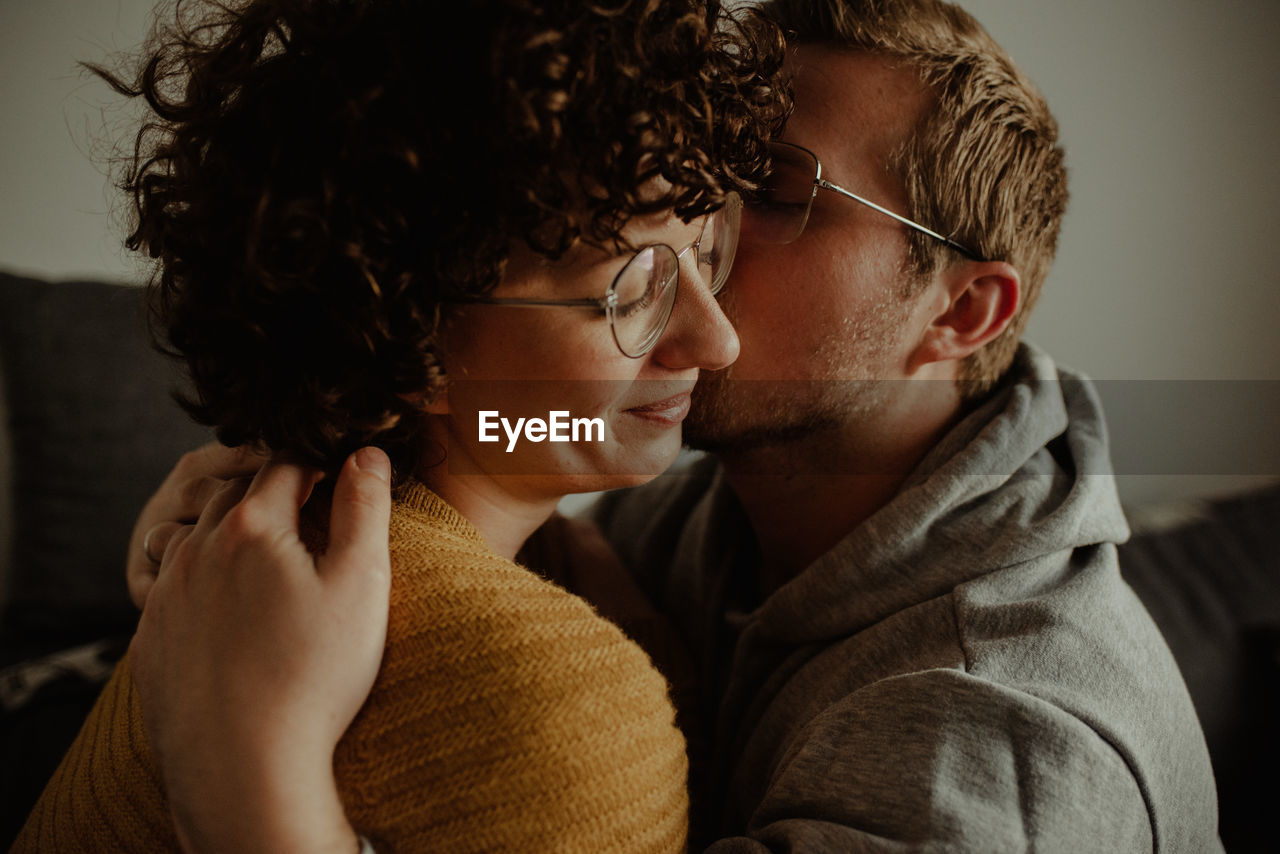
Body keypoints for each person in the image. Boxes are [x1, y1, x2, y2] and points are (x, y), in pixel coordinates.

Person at [113, 0, 1225, 851]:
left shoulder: (990, 755)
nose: (701, 235)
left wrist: (248, 779)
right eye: (705, 185)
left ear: (960, 309)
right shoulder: (727, 494)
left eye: (777, 191)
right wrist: (293, 477)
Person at [12, 0, 790, 851]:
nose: (717, 340)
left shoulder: (268, 536)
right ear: (420, 343)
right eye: (634, 289)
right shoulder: (570, 721)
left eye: (707, 246)